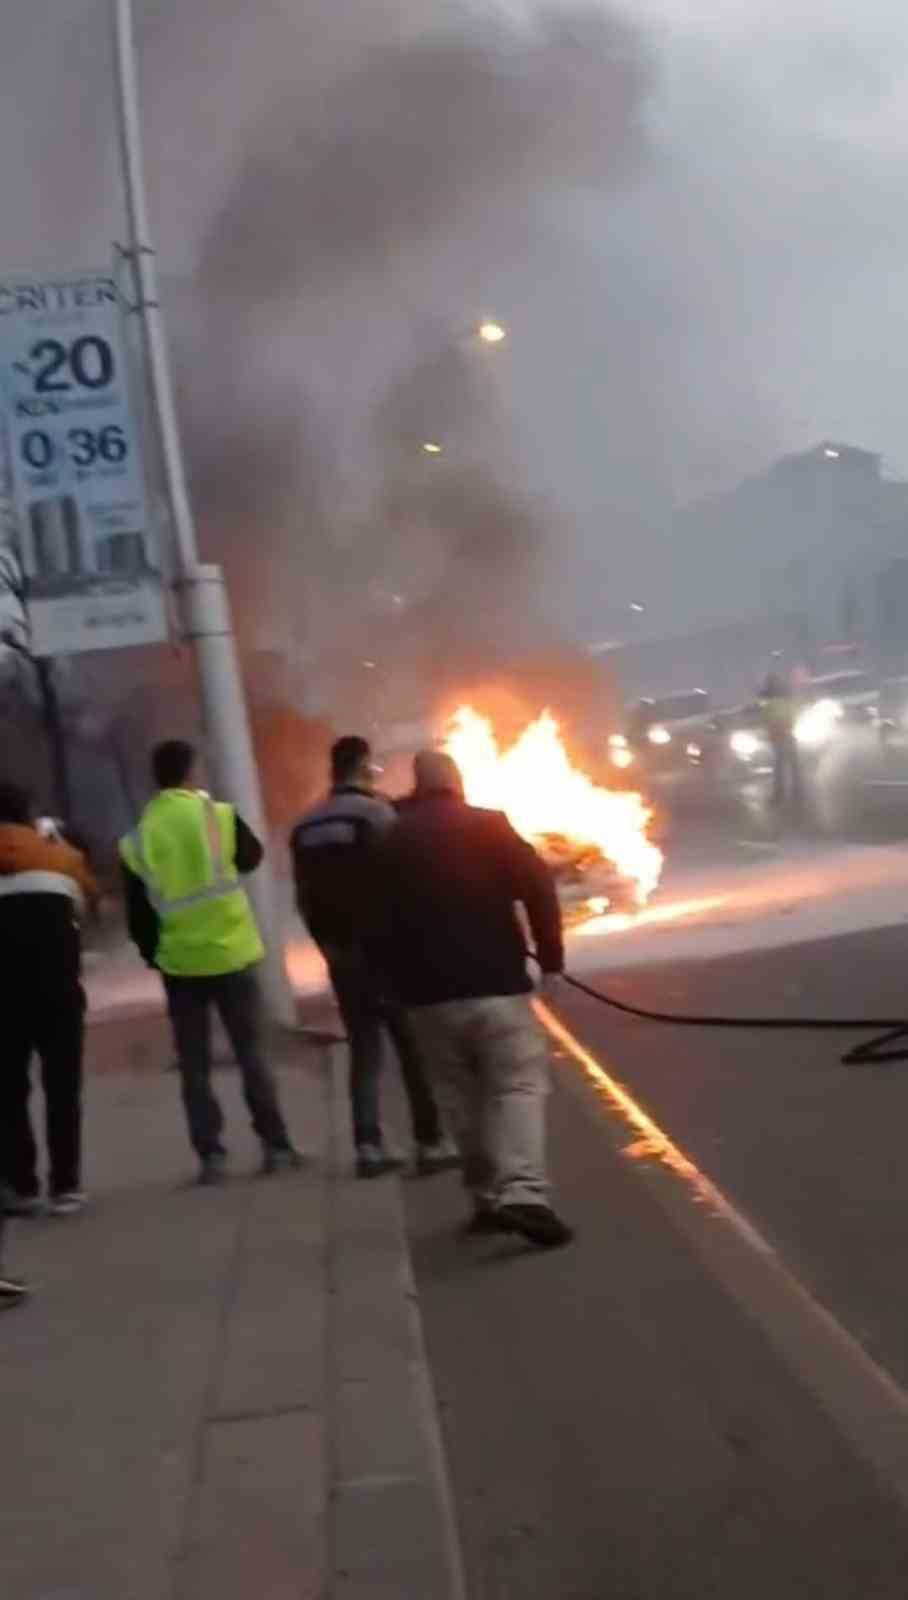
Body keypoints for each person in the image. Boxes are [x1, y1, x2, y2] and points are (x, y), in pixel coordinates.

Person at [374, 749, 573, 1249]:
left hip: (425, 997)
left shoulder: (389, 839)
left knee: (459, 1097)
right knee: (518, 1086)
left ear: (417, 788)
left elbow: (369, 922)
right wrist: (550, 961)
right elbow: (539, 888)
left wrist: (387, 985)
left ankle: (486, 1199)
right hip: (495, 985)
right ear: (458, 783)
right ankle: (524, 1191)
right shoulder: (489, 826)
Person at [120, 741, 300, 1184]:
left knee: (194, 1063)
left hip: (180, 964)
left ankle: (211, 1157)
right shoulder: (216, 816)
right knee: (251, 1053)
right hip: (233, 953)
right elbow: (253, 857)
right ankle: (275, 1146)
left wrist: (154, 955)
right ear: (189, 773)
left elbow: (138, 915)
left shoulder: (138, 839)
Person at [291, 735, 457, 1179]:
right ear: (364, 766)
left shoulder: (305, 826)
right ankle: (431, 1140)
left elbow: (303, 898)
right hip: (386, 949)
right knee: (412, 1045)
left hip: (340, 953)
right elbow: (405, 877)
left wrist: (328, 946)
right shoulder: (377, 814)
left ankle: (367, 1145)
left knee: (364, 1047)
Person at [0, 781, 97, 1219]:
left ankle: (22, 1186)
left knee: (8, 1093)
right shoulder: (61, 858)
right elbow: (90, 897)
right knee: (62, 1088)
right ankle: (67, 1186)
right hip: (59, 991)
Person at [760, 670, 803, 813]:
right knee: (791, 765)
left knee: (781, 766)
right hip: (786, 734)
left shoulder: (770, 702)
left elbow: (767, 719)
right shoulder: (785, 699)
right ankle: (796, 793)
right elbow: (794, 714)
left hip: (779, 735)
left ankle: (781, 795)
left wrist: (772, 731)